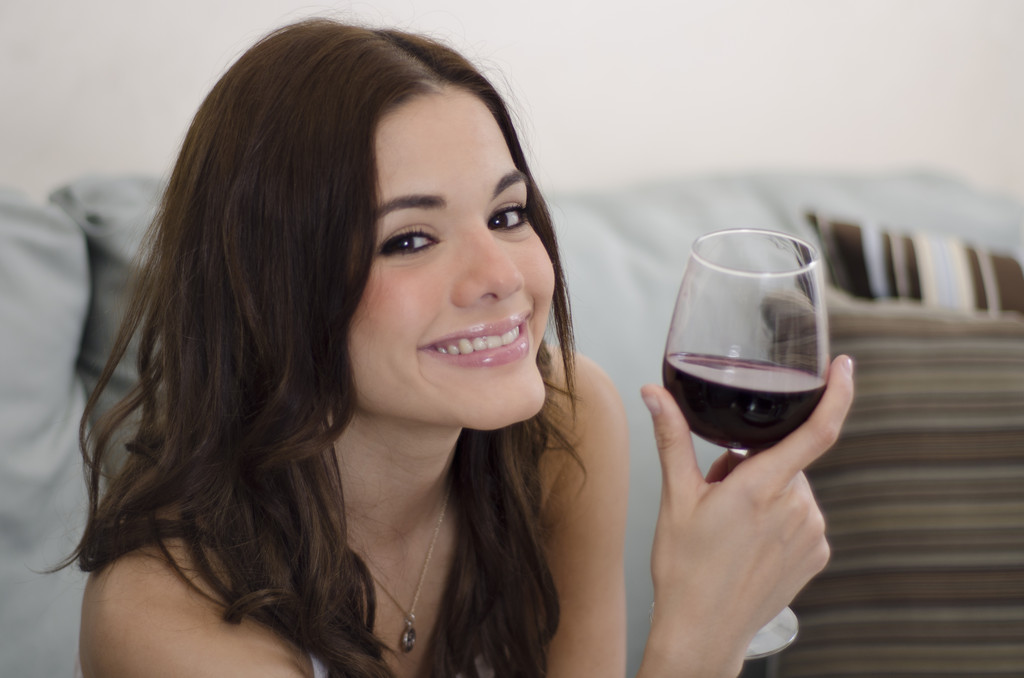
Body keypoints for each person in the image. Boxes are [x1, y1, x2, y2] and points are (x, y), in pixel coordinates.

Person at [69, 18, 854, 678]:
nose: (501, 275)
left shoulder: (565, 433)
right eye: (411, 238)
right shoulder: (161, 617)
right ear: (271, 292)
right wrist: (700, 636)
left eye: (508, 215)